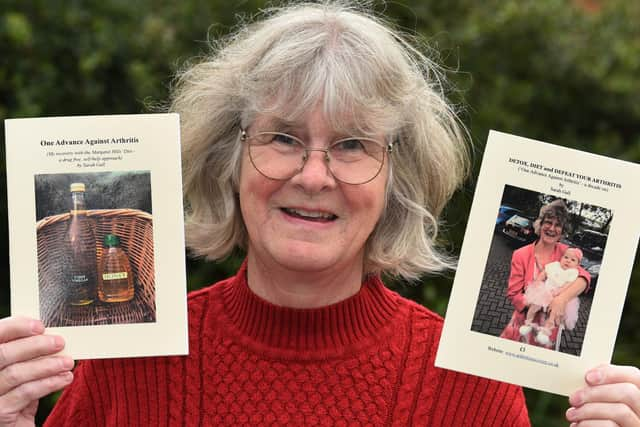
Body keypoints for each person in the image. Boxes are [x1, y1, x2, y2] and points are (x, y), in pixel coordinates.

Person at [1, 3, 639, 426]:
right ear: (231, 159)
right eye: (281, 138)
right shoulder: (127, 364)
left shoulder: (469, 389)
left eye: (354, 144)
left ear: (398, 179)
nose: (313, 175)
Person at [519, 246, 583, 346]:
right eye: (566, 257)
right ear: (561, 258)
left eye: (572, 260)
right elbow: (544, 273)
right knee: (534, 306)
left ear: (578, 264)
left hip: (557, 295)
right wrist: (538, 281)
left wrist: (559, 291)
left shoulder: (573, 272)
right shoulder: (555, 265)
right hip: (545, 291)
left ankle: (545, 332)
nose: (568, 261)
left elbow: (568, 285)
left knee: (553, 315)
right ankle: (528, 323)